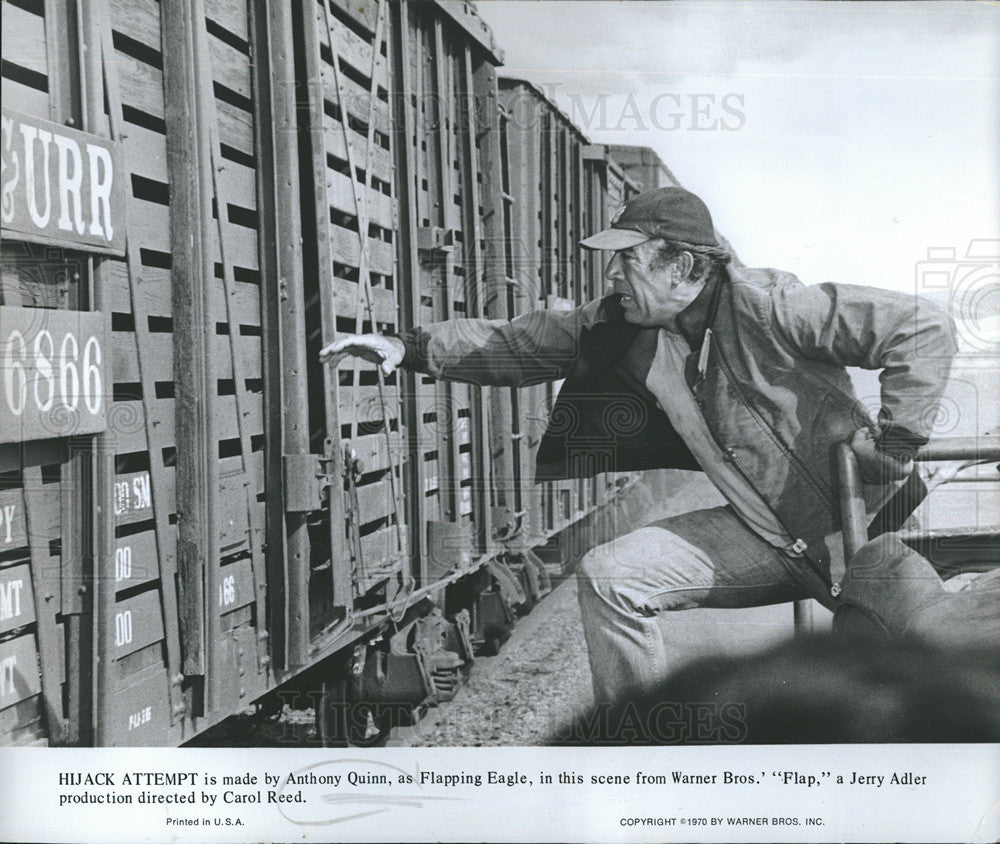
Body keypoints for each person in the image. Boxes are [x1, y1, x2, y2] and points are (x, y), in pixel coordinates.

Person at [321, 186, 958, 703]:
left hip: (863, 528)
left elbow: (922, 328)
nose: (613, 277)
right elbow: (520, 341)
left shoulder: (771, 306)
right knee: (609, 576)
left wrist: (897, 444)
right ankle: (645, 745)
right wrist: (409, 348)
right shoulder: (625, 327)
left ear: (680, 265)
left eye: (627, 260)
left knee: (927, 690)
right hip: (766, 540)